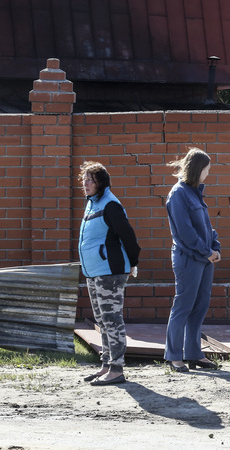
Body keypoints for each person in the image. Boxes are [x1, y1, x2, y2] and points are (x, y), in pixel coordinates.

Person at [78, 161, 141, 386]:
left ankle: (117, 369)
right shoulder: (92, 204)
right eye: (84, 179)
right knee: (102, 320)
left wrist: (133, 262)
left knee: (112, 319)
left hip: (110, 273)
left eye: (90, 180)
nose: (85, 183)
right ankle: (106, 365)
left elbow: (128, 236)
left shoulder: (110, 205)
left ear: (101, 183)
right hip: (94, 272)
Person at [164, 148, 222, 372]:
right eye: (207, 169)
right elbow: (185, 232)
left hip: (205, 259)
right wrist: (206, 251)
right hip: (189, 259)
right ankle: (174, 356)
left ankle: (193, 353)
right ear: (198, 169)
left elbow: (207, 227)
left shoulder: (194, 191)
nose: (208, 173)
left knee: (200, 305)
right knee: (184, 306)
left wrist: (215, 247)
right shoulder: (178, 193)